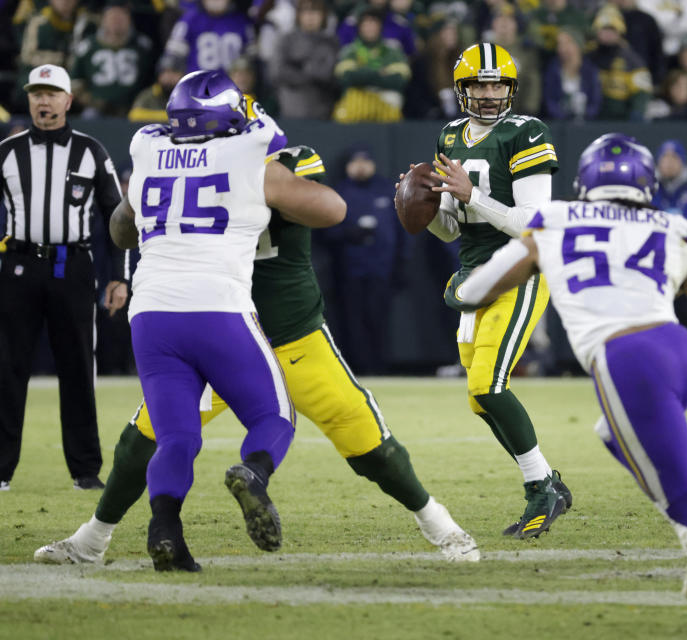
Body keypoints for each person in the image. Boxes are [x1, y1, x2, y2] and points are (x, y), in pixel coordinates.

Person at [35, 141, 478, 568]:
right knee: (143, 439)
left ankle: (440, 525)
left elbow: (320, 206)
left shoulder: (270, 165)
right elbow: (124, 230)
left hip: (286, 335)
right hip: (224, 333)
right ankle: (92, 539)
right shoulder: (199, 167)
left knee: (369, 442)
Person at [456, 133, 687, 615]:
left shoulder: (554, 220)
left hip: (628, 361)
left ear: (584, 182)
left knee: (686, 498)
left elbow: (477, 289)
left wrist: (482, 275)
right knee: (611, 432)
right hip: (681, 354)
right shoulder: (670, 225)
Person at [107, 69, 346, 571]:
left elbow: (121, 230)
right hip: (216, 307)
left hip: (151, 313)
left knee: (176, 437)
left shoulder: (146, 146)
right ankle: (254, 473)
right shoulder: (250, 153)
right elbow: (332, 210)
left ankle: (165, 528)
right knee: (273, 416)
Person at [415, 42, 572, 539]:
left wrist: (472, 195)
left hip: (517, 270)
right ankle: (548, 480)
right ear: (462, 89)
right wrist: (421, 208)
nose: (488, 93)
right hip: (473, 274)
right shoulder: (449, 135)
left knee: (488, 386)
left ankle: (540, 490)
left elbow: (536, 223)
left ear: (511, 88)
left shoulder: (526, 132)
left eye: (497, 83)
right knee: (479, 399)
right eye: (479, 84)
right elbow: (449, 227)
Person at [0, 64, 127, 492]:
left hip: (72, 267)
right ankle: (0, 469)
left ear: (69, 101)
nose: (43, 101)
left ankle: (85, 470)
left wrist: (119, 277)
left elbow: (117, 217)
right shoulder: (8, 151)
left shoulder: (92, 151)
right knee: (7, 368)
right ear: (29, 99)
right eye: (36, 93)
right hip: (17, 267)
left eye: (52, 93)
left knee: (77, 366)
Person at [326, 147, 407, 374]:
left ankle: (379, 367)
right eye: (356, 162)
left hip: (381, 269)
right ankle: (357, 368)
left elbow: (401, 232)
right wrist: (347, 234)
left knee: (378, 319)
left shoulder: (386, 189)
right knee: (352, 322)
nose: (360, 166)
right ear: (348, 166)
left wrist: (401, 264)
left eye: (365, 161)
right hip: (349, 271)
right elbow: (326, 232)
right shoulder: (340, 192)